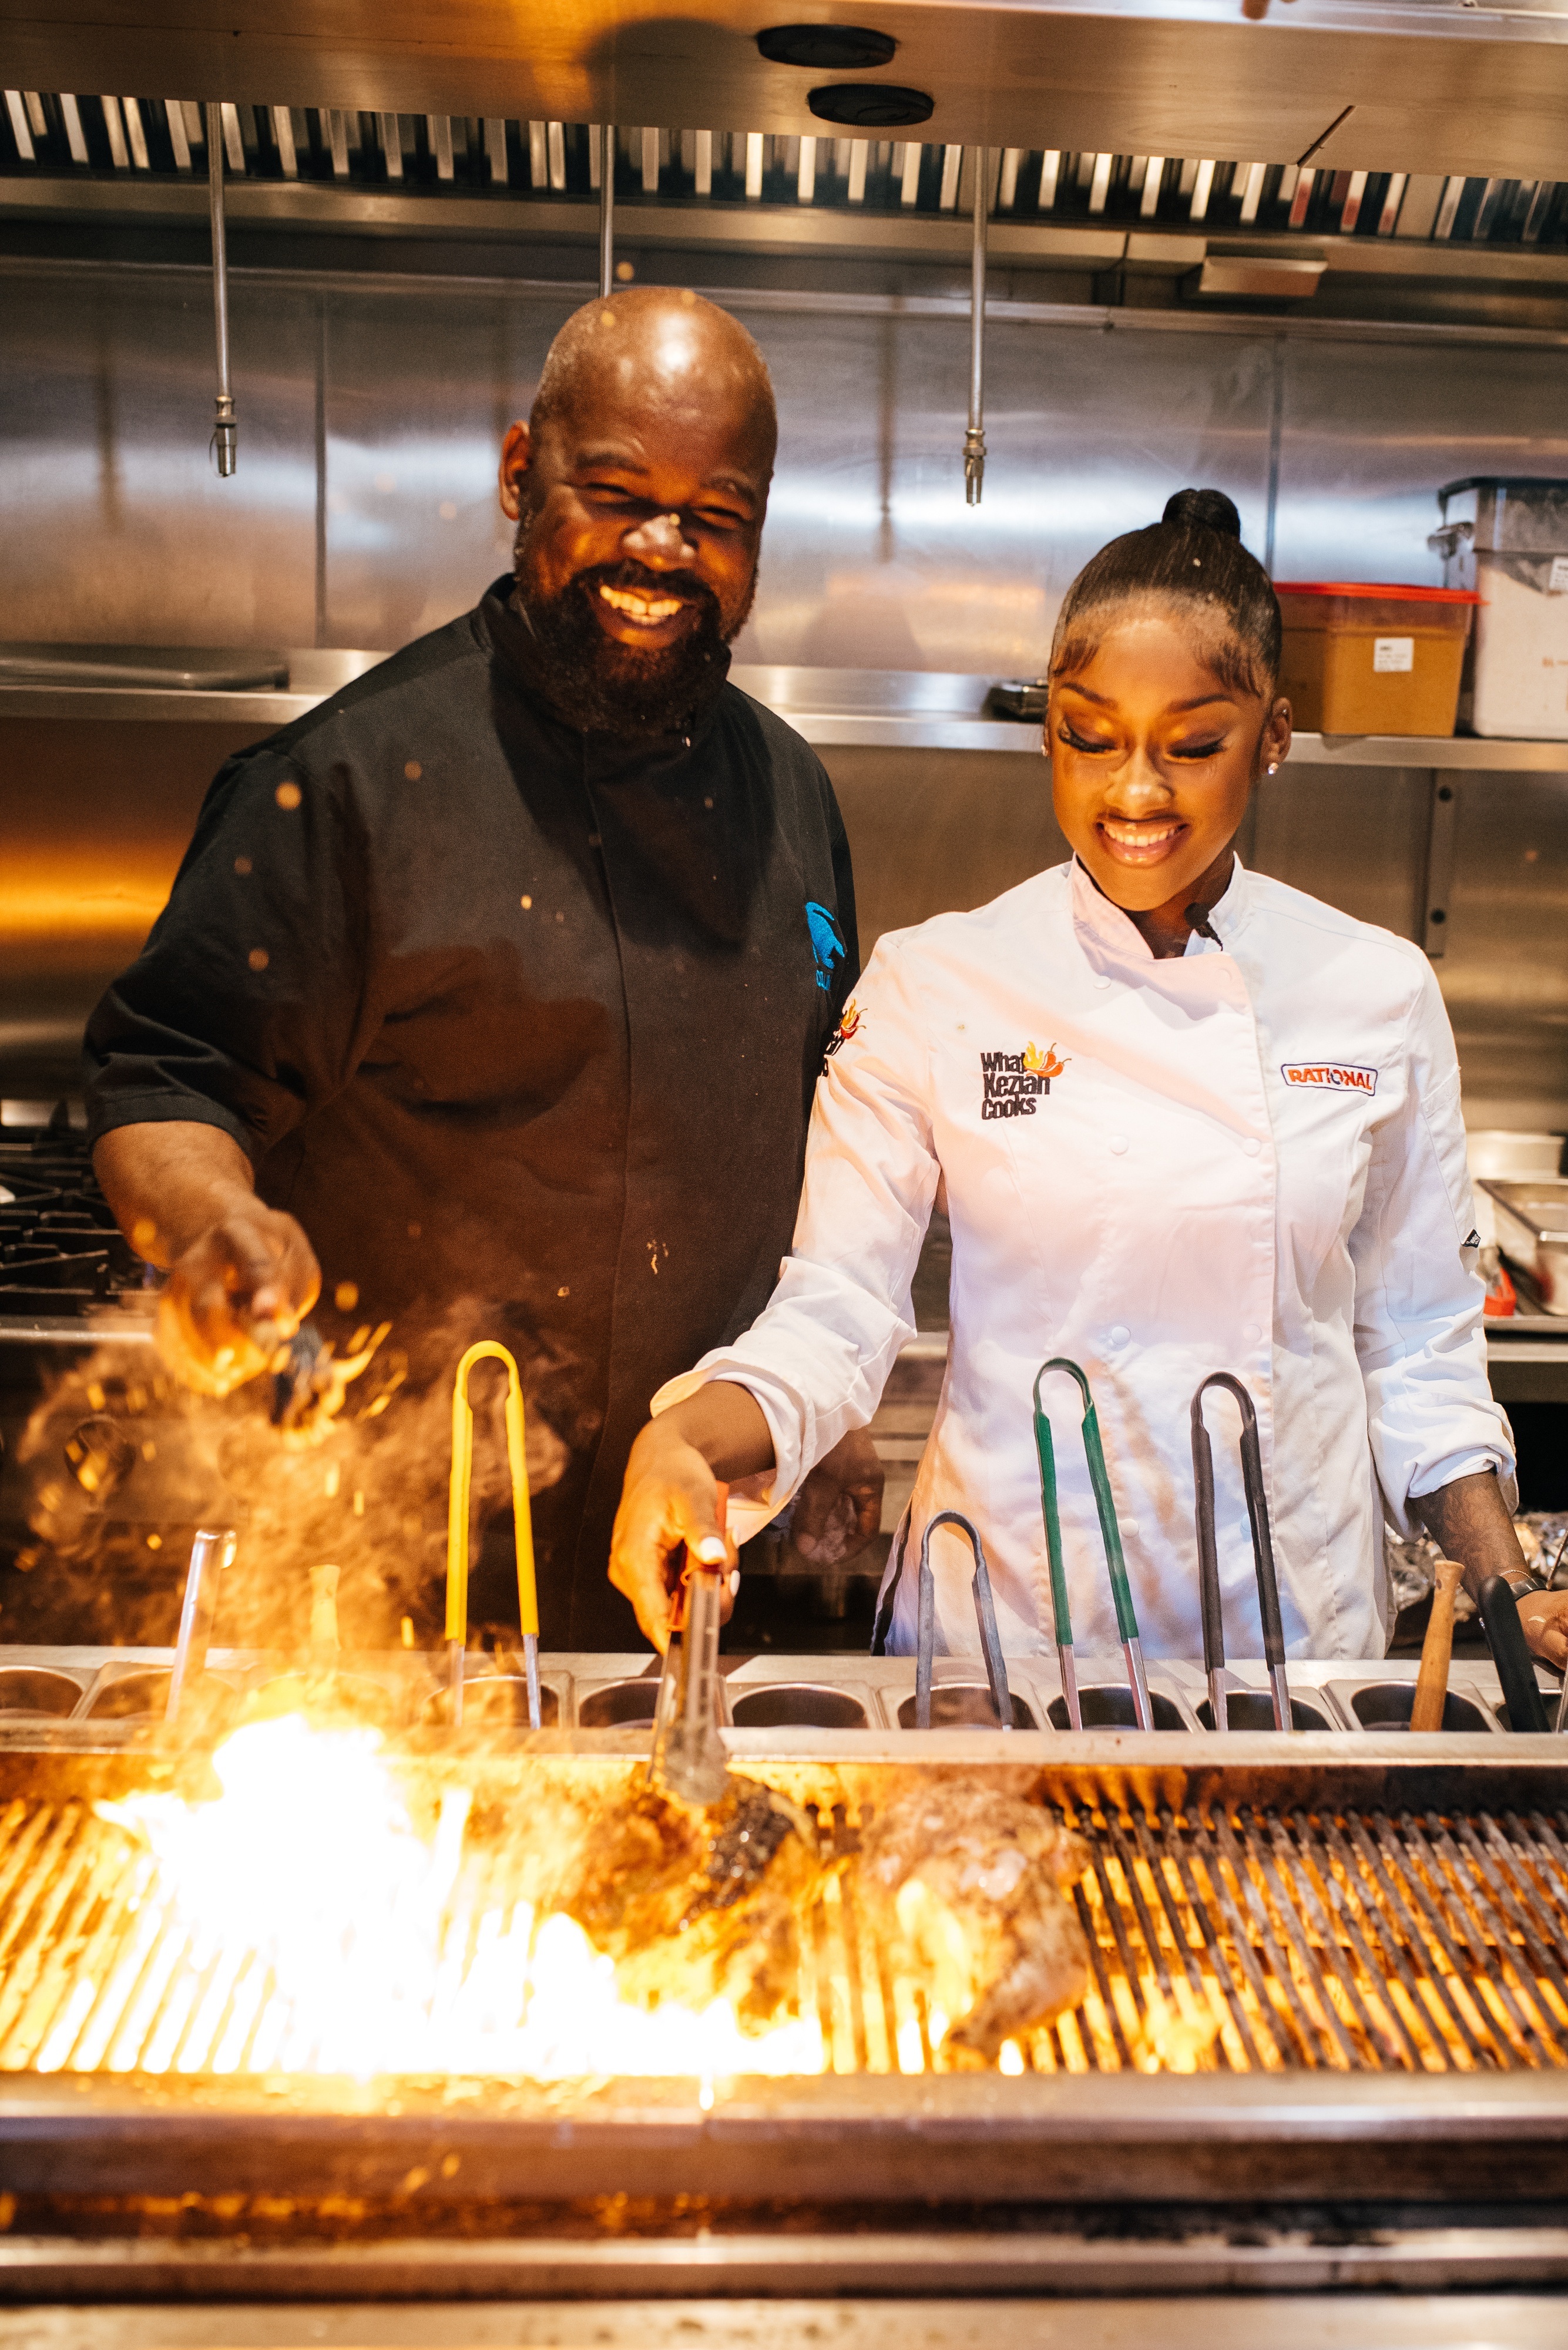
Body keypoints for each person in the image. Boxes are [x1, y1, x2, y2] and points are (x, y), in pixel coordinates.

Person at [612, 489, 1568, 1670]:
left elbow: (1418, 1339)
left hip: (1297, 1650)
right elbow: (839, 1311)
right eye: (1089, 733)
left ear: (1274, 733)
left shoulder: (1376, 988)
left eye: (1194, 743)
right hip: (1005, 1644)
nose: (1133, 791)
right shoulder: (937, 981)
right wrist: (684, 1443)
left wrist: (1504, 1584)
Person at [85, 287, 881, 1650]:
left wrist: (821, 1416)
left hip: (689, 1578)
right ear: (523, 473)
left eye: (715, 514)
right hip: (390, 1584)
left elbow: (826, 1151)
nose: (660, 548)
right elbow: (173, 1075)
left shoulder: (794, 798)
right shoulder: (348, 781)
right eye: (615, 490)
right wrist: (212, 1216)